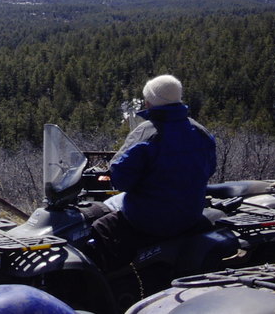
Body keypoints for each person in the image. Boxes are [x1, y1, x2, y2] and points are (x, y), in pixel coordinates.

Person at [89, 74, 216, 270]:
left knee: (100, 224)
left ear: (151, 101)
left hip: (149, 220)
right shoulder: (200, 131)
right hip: (190, 214)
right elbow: (210, 169)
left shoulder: (147, 132)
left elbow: (121, 179)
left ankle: (120, 277)